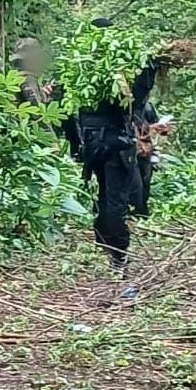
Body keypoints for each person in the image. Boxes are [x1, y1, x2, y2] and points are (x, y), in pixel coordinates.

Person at [77, 18, 160, 272]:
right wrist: (150, 68)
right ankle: (117, 257)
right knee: (116, 200)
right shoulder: (119, 69)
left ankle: (106, 247)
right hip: (117, 145)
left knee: (104, 196)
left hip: (92, 144)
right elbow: (135, 102)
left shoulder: (80, 68)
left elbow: (69, 110)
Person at [10, 36, 82, 160]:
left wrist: (44, 93)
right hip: (29, 138)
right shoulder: (28, 80)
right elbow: (37, 111)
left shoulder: (17, 78)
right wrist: (52, 143)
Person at [132, 101, 174, 218]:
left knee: (144, 184)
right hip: (128, 151)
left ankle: (141, 214)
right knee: (134, 185)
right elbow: (127, 128)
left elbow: (156, 128)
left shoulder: (147, 106)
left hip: (145, 152)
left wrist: (163, 129)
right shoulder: (123, 105)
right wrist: (150, 128)